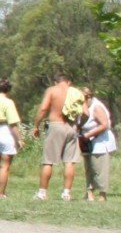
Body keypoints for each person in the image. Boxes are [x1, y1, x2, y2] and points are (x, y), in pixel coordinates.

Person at [30, 71, 85, 201]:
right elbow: (85, 113)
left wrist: (36, 125)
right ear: (68, 81)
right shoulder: (76, 92)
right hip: (71, 127)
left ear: (56, 82)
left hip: (56, 125)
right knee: (70, 162)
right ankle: (66, 193)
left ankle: (42, 193)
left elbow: (43, 108)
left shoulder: (52, 90)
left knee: (48, 161)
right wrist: (79, 125)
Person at [77, 88, 116, 202]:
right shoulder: (82, 108)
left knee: (99, 169)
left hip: (100, 142)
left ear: (87, 97)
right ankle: (89, 193)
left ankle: (102, 195)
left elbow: (105, 125)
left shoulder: (96, 106)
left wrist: (88, 135)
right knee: (89, 168)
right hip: (87, 141)